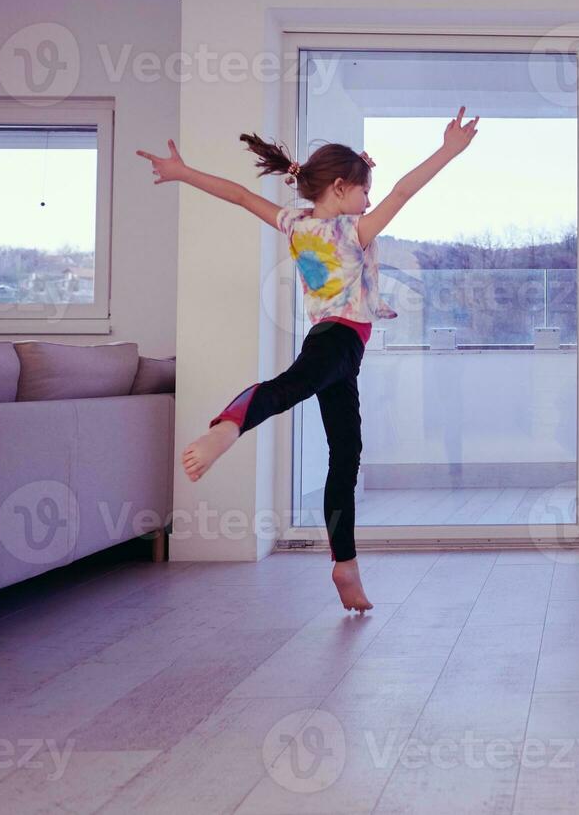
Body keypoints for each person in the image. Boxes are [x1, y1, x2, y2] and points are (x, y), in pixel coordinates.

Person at [136, 107, 480, 612]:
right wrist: (448, 151)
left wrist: (184, 172)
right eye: (363, 191)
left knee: (346, 453)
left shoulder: (296, 223)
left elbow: (239, 195)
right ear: (339, 188)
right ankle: (224, 429)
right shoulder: (351, 231)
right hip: (339, 344)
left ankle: (345, 565)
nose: (368, 201)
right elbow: (404, 192)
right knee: (285, 392)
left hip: (333, 346)